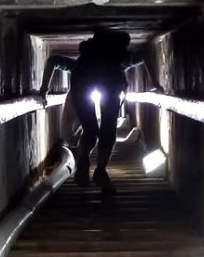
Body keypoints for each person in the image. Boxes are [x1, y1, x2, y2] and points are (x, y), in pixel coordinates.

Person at [41, 27, 158, 192]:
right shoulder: (117, 61)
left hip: (84, 85)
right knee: (107, 131)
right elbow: (143, 56)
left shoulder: (85, 63)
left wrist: (44, 88)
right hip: (106, 86)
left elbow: (53, 60)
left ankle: (85, 162)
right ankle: (99, 170)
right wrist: (154, 83)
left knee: (92, 130)